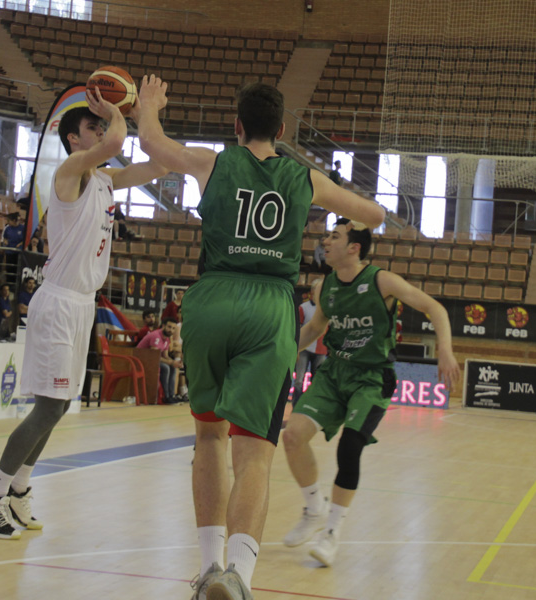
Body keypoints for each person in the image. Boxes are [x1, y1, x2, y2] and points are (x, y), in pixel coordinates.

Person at [135, 75, 386, 599]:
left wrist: (150, 105)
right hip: (270, 308)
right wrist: (334, 208)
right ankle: (240, 578)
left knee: (209, 438)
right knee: (254, 452)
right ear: (283, 129)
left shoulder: (214, 161)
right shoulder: (303, 176)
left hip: (211, 300)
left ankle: (208, 567)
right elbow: (375, 215)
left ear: (237, 125)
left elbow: (153, 144)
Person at [0, 88, 169, 540]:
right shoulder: (69, 173)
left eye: (101, 123)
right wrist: (118, 111)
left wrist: (148, 116)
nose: (100, 129)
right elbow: (115, 145)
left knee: (59, 408)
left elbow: (160, 165)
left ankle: (19, 489)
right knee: (47, 408)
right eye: (92, 126)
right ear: (74, 140)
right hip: (59, 301)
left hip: (83, 305)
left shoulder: (103, 180)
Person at [281, 219, 460, 568]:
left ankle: (331, 533)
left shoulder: (381, 280)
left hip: (372, 377)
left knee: (350, 447)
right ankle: (313, 506)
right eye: (326, 235)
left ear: (354, 248)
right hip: (334, 373)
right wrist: (283, 352)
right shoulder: (326, 286)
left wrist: (446, 349)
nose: (324, 240)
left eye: (334, 236)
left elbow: (434, 308)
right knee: (292, 436)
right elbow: (316, 327)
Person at [292, 288, 327, 405]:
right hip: (304, 348)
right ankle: (296, 407)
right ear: (311, 293)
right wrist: (296, 348)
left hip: (321, 349)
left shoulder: (327, 308)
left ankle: (312, 407)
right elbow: (297, 327)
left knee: (317, 382)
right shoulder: (303, 307)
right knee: (299, 380)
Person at [138, 317, 185, 403]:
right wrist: (171, 362)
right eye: (169, 327)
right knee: (165, 367)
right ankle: (166, 397)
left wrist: (175, 362)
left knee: (173, 367)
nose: (171, 330)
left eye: (173, 328)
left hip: (153, 360)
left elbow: (165, 356)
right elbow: (154, 356)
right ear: (163, 326)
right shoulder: (156, 335)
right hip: (142, 360)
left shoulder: (167, 338)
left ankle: (172, 395)